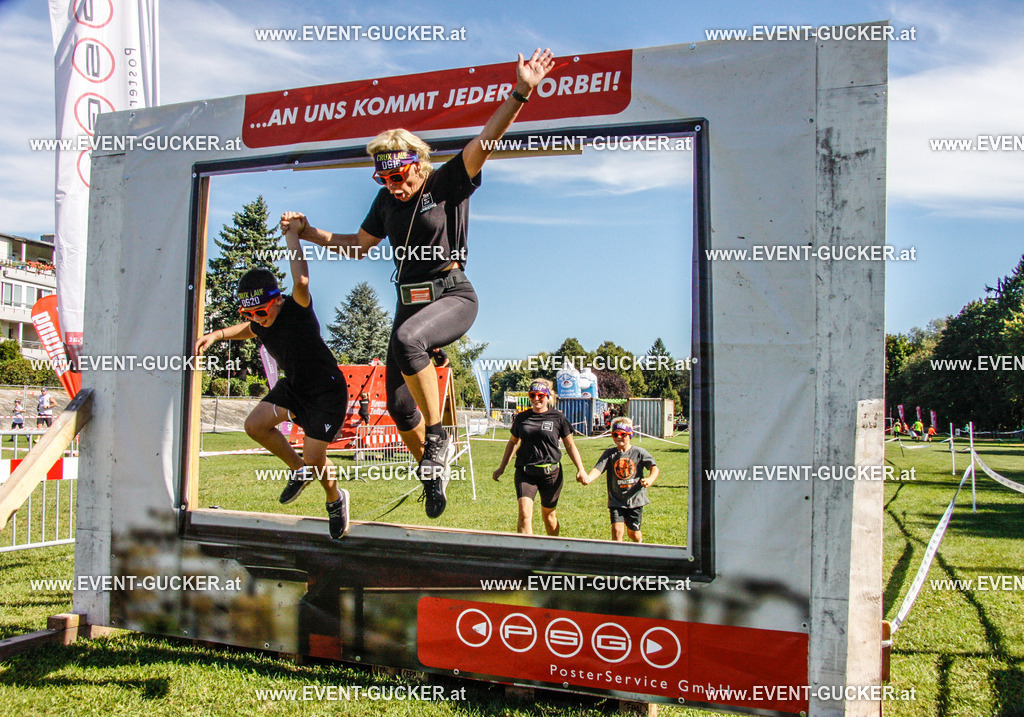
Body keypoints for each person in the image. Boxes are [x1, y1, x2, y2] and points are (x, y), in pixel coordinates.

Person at [280, 49, 556, 519]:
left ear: (417, 163)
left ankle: (439, 437)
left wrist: (521, 92)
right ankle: (432, 472)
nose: (392, 184)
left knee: (409, 340)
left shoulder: (445, 182)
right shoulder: (385, 202)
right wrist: (308, 233)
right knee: (397, 405)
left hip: (452, 294)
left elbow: (486, 141)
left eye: (398, 174)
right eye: (383, 177)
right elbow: (357, 245)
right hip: (408, 303)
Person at [194, 226, 350, 539]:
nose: (257, 319)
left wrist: (292, 234)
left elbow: (301, 280)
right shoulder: (259, 321)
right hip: (294, 388)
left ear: (277, 300)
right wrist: (218, 334)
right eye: (249, 314)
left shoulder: (297, 308)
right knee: (254, 425)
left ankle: (335, 499)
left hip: (326, 391)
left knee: (315, 458)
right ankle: (298, 470)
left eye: (261, 312)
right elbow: (247, 329)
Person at [492, 379, 588, 536]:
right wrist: (502, 467)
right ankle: (527, 550)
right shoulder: (522, 418)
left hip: (551, 474)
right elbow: (513, 442)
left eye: (540, 395)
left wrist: (581, 469)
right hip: (525, 472)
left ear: (548, 396)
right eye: (532, 395)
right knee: (524, 514)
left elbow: (570, 445)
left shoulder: (558, 418)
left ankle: (553, 547)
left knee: (549, 517)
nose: (536, 399)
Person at [580, 417, 659, 543]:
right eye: (615, 434)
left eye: (623, 434)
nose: (619, 437)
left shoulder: (639, 452)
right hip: (616, 500)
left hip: (635, 500)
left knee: (633, 534)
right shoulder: (609, 454)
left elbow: (654, 468)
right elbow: (598, 469)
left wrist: (650, 479)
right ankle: (617, 554)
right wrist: (588, 478)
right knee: (616, 531)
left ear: (630, 435)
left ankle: (639, 544)